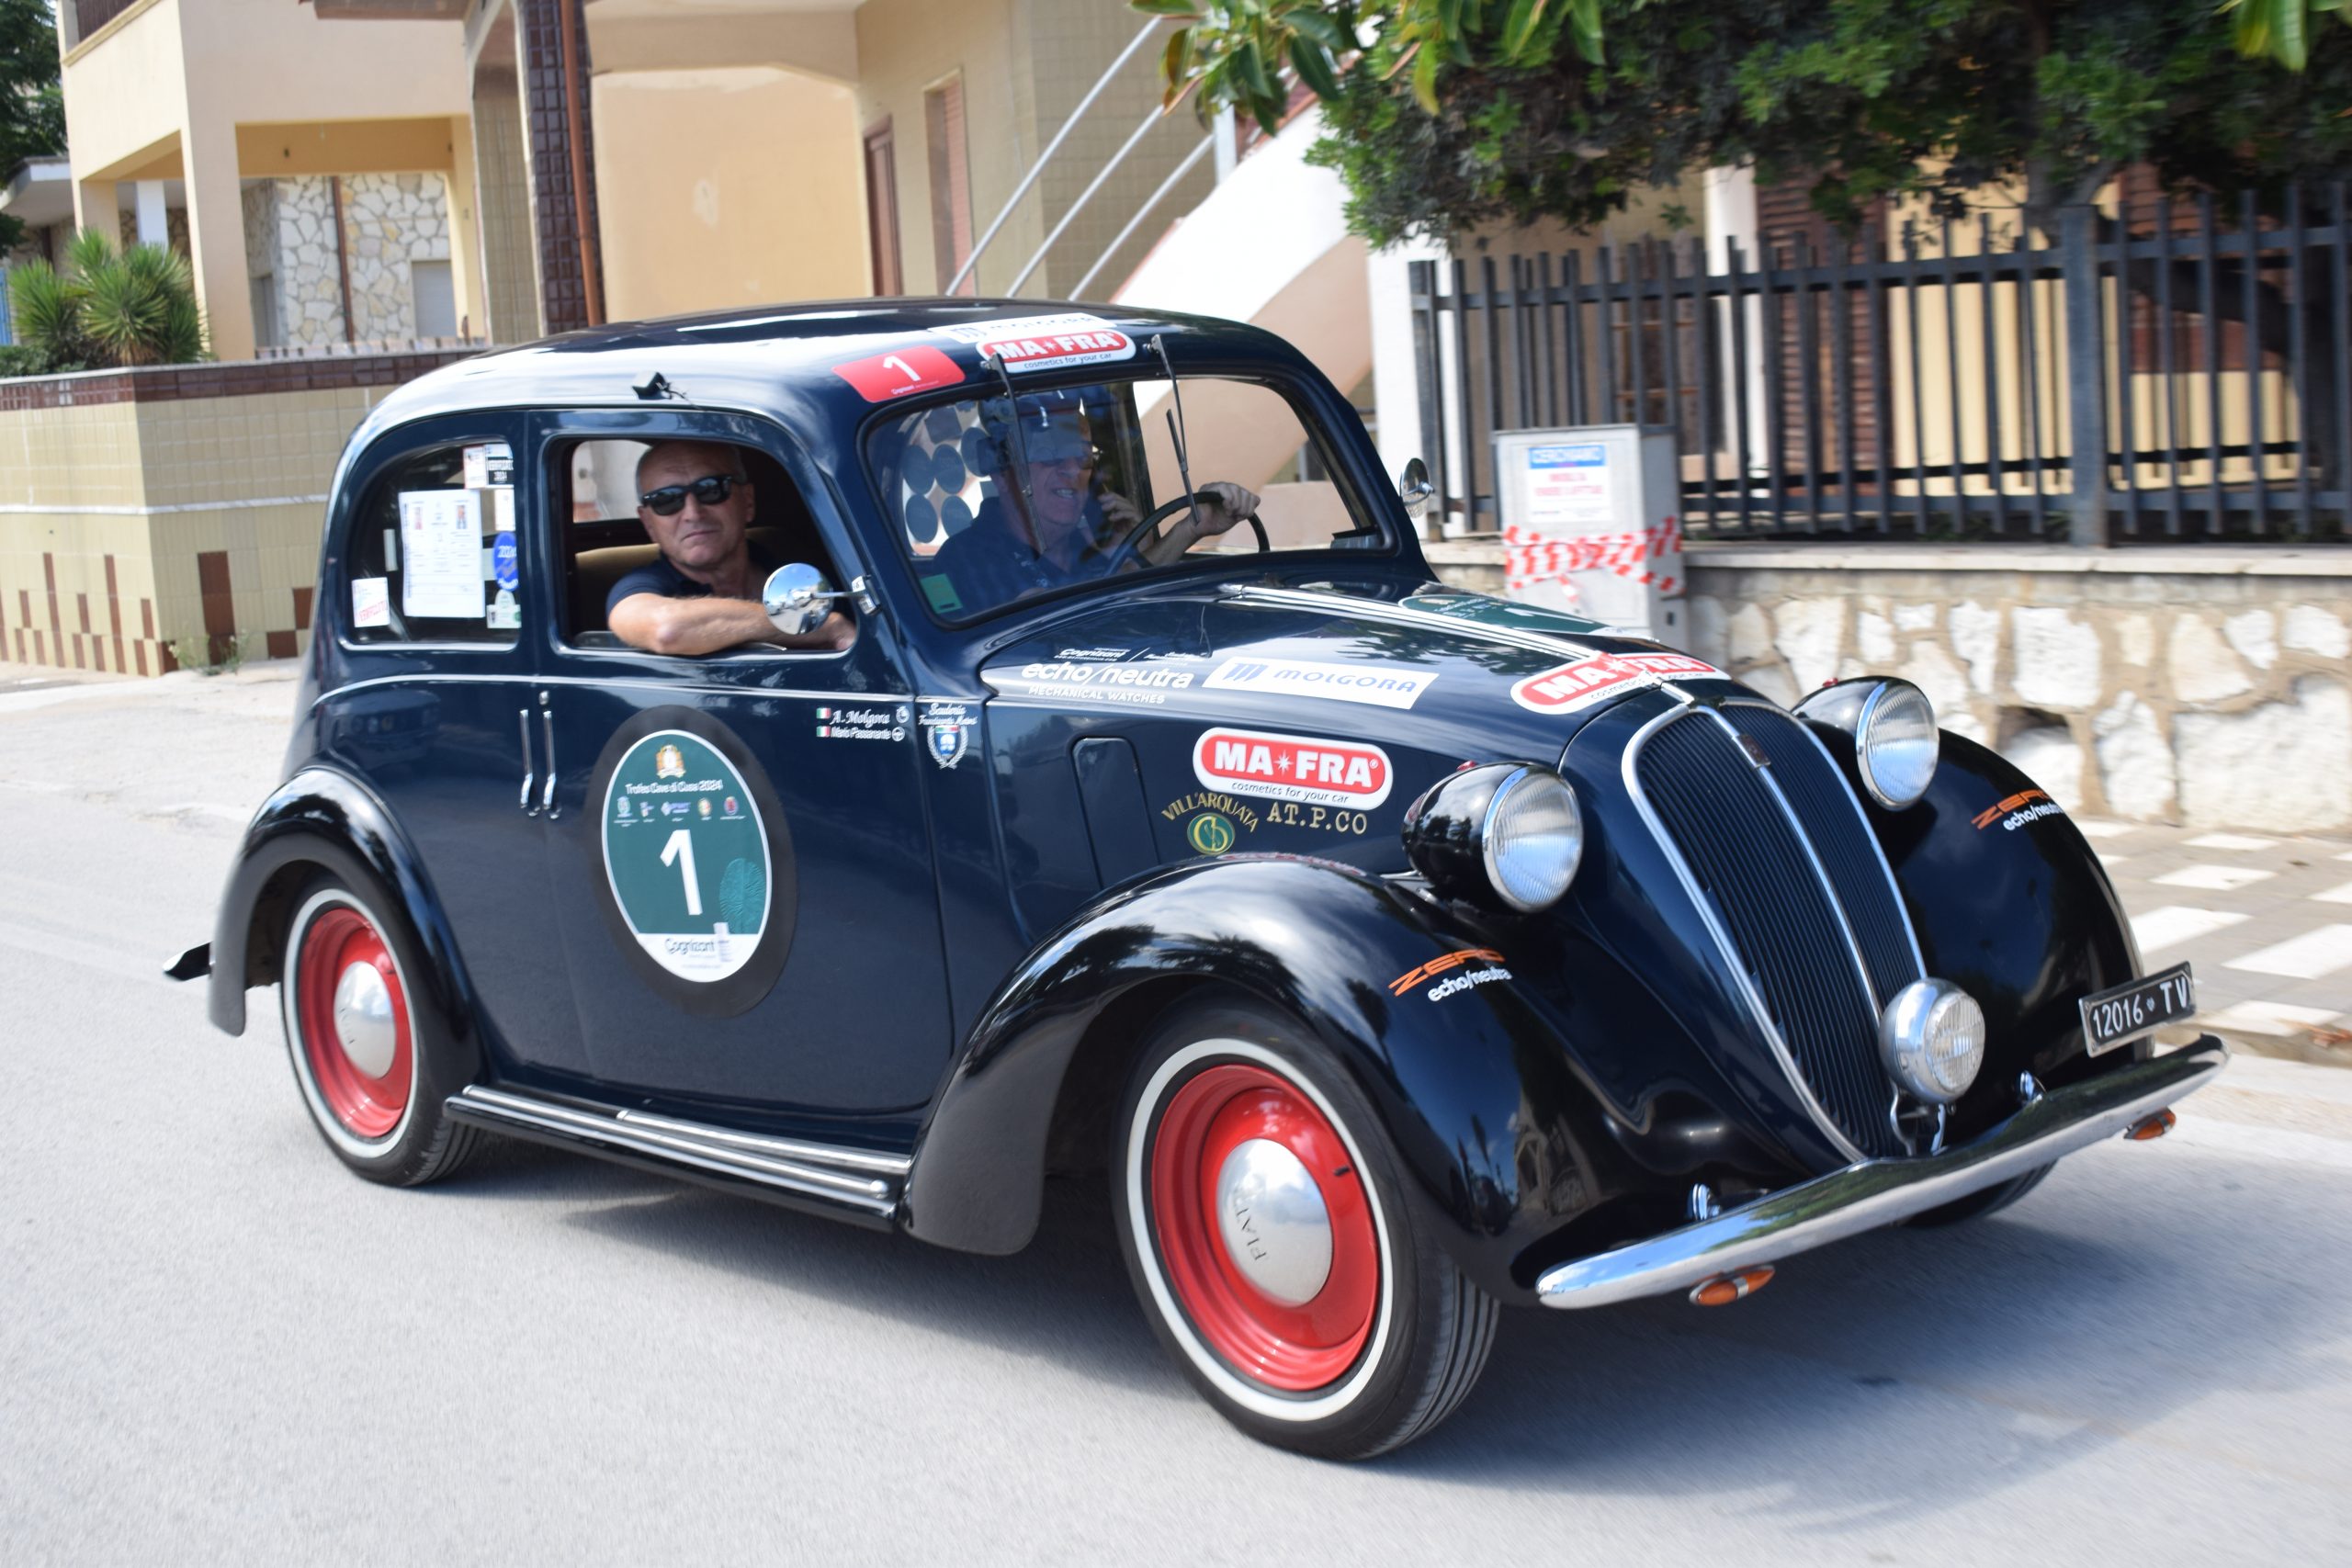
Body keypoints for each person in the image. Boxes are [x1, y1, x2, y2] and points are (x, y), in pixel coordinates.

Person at [929, 395, 1258, 614]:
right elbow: (1051, 624)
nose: (1072, 471)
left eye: (1083, 458)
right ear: (1004, 474)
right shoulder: (966, 559)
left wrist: (1189, 528)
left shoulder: (1085, 546)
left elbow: (1132, 604)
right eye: (1051, 457)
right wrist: (1122, 566)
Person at [607, 440, 856, 656]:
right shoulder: (639, 586)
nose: (693, 513)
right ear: (649, 524)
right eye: (666, 500)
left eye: (711, 489)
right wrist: (819, 626)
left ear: (747, 501)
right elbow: (667, 629)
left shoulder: (802, 572)